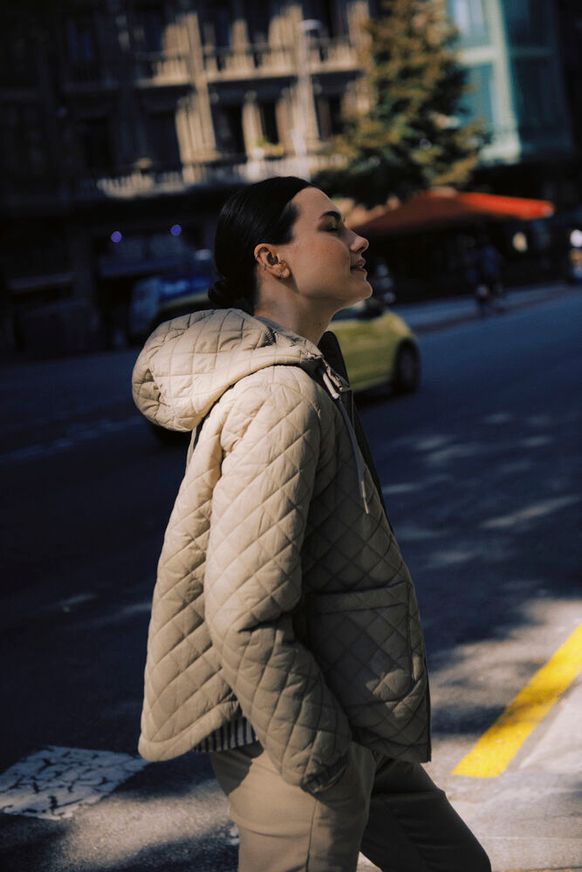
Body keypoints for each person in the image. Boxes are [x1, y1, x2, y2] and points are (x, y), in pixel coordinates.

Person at [132, 177, 491, 872]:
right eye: (332, 227)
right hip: (288, 732)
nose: (359, 240)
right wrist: (319, 755)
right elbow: (242, 611)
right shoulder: (280, 394)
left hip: (345, 700)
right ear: (273, 260)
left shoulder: (311, 368)